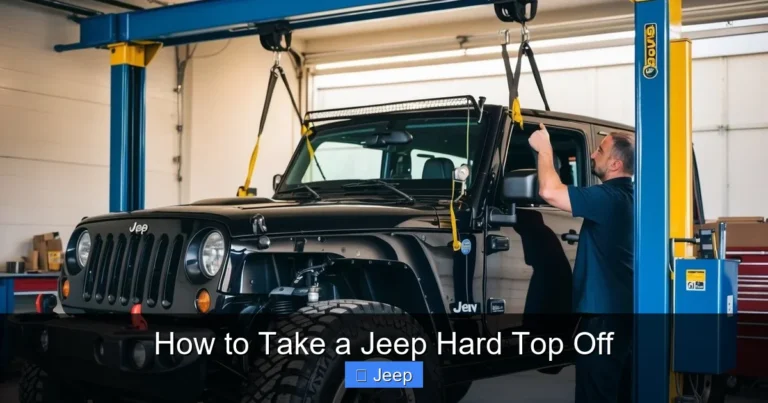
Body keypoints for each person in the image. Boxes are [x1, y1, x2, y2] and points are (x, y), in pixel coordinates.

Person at [527, 123, 634, 403]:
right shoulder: (635, 199)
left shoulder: (610, 198)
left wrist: (545, 148)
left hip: (603, 321)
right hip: (625, 318)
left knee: (595, 395)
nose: (593, 154)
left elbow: (550, 191)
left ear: (615, 163)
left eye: (600, 150)